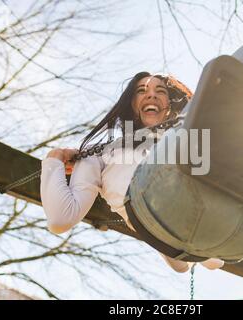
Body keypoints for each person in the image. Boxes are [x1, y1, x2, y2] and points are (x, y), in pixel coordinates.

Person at [40, 72, 225, 273]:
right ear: (131, 103)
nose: (151, 95)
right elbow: (60, 219)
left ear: (170, 103)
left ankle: (180, 244)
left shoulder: (187, 141)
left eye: (160, 91)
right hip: (149, 217)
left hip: (197, 211)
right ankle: (170, 242)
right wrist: (54, 158)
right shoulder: (100, 156)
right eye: (141, 91)